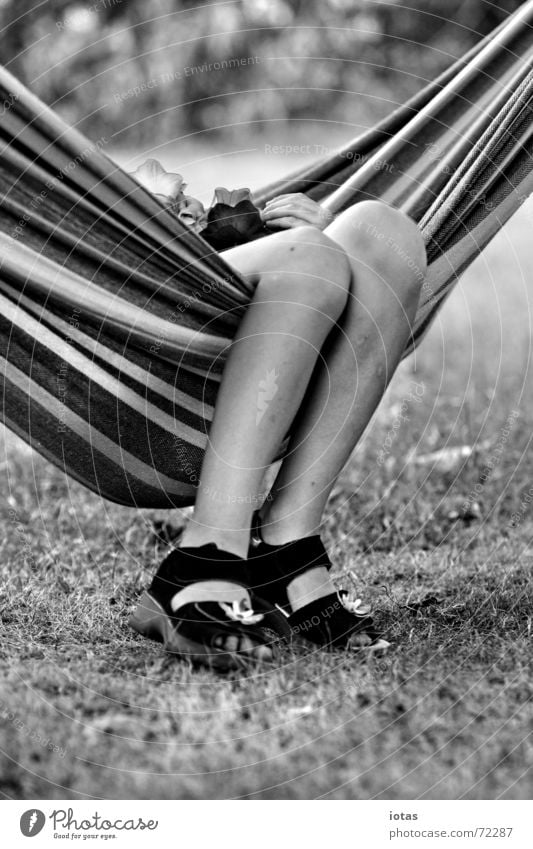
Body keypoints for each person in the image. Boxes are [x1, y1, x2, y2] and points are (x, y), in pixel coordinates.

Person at [129, 160, 427, 670]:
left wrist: (331, 233)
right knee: (309, 258)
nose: (186, 195)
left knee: (382, 232)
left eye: (182, 198)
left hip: (266, 324)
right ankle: (205, 556)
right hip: (149, 340)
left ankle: (287, 546)